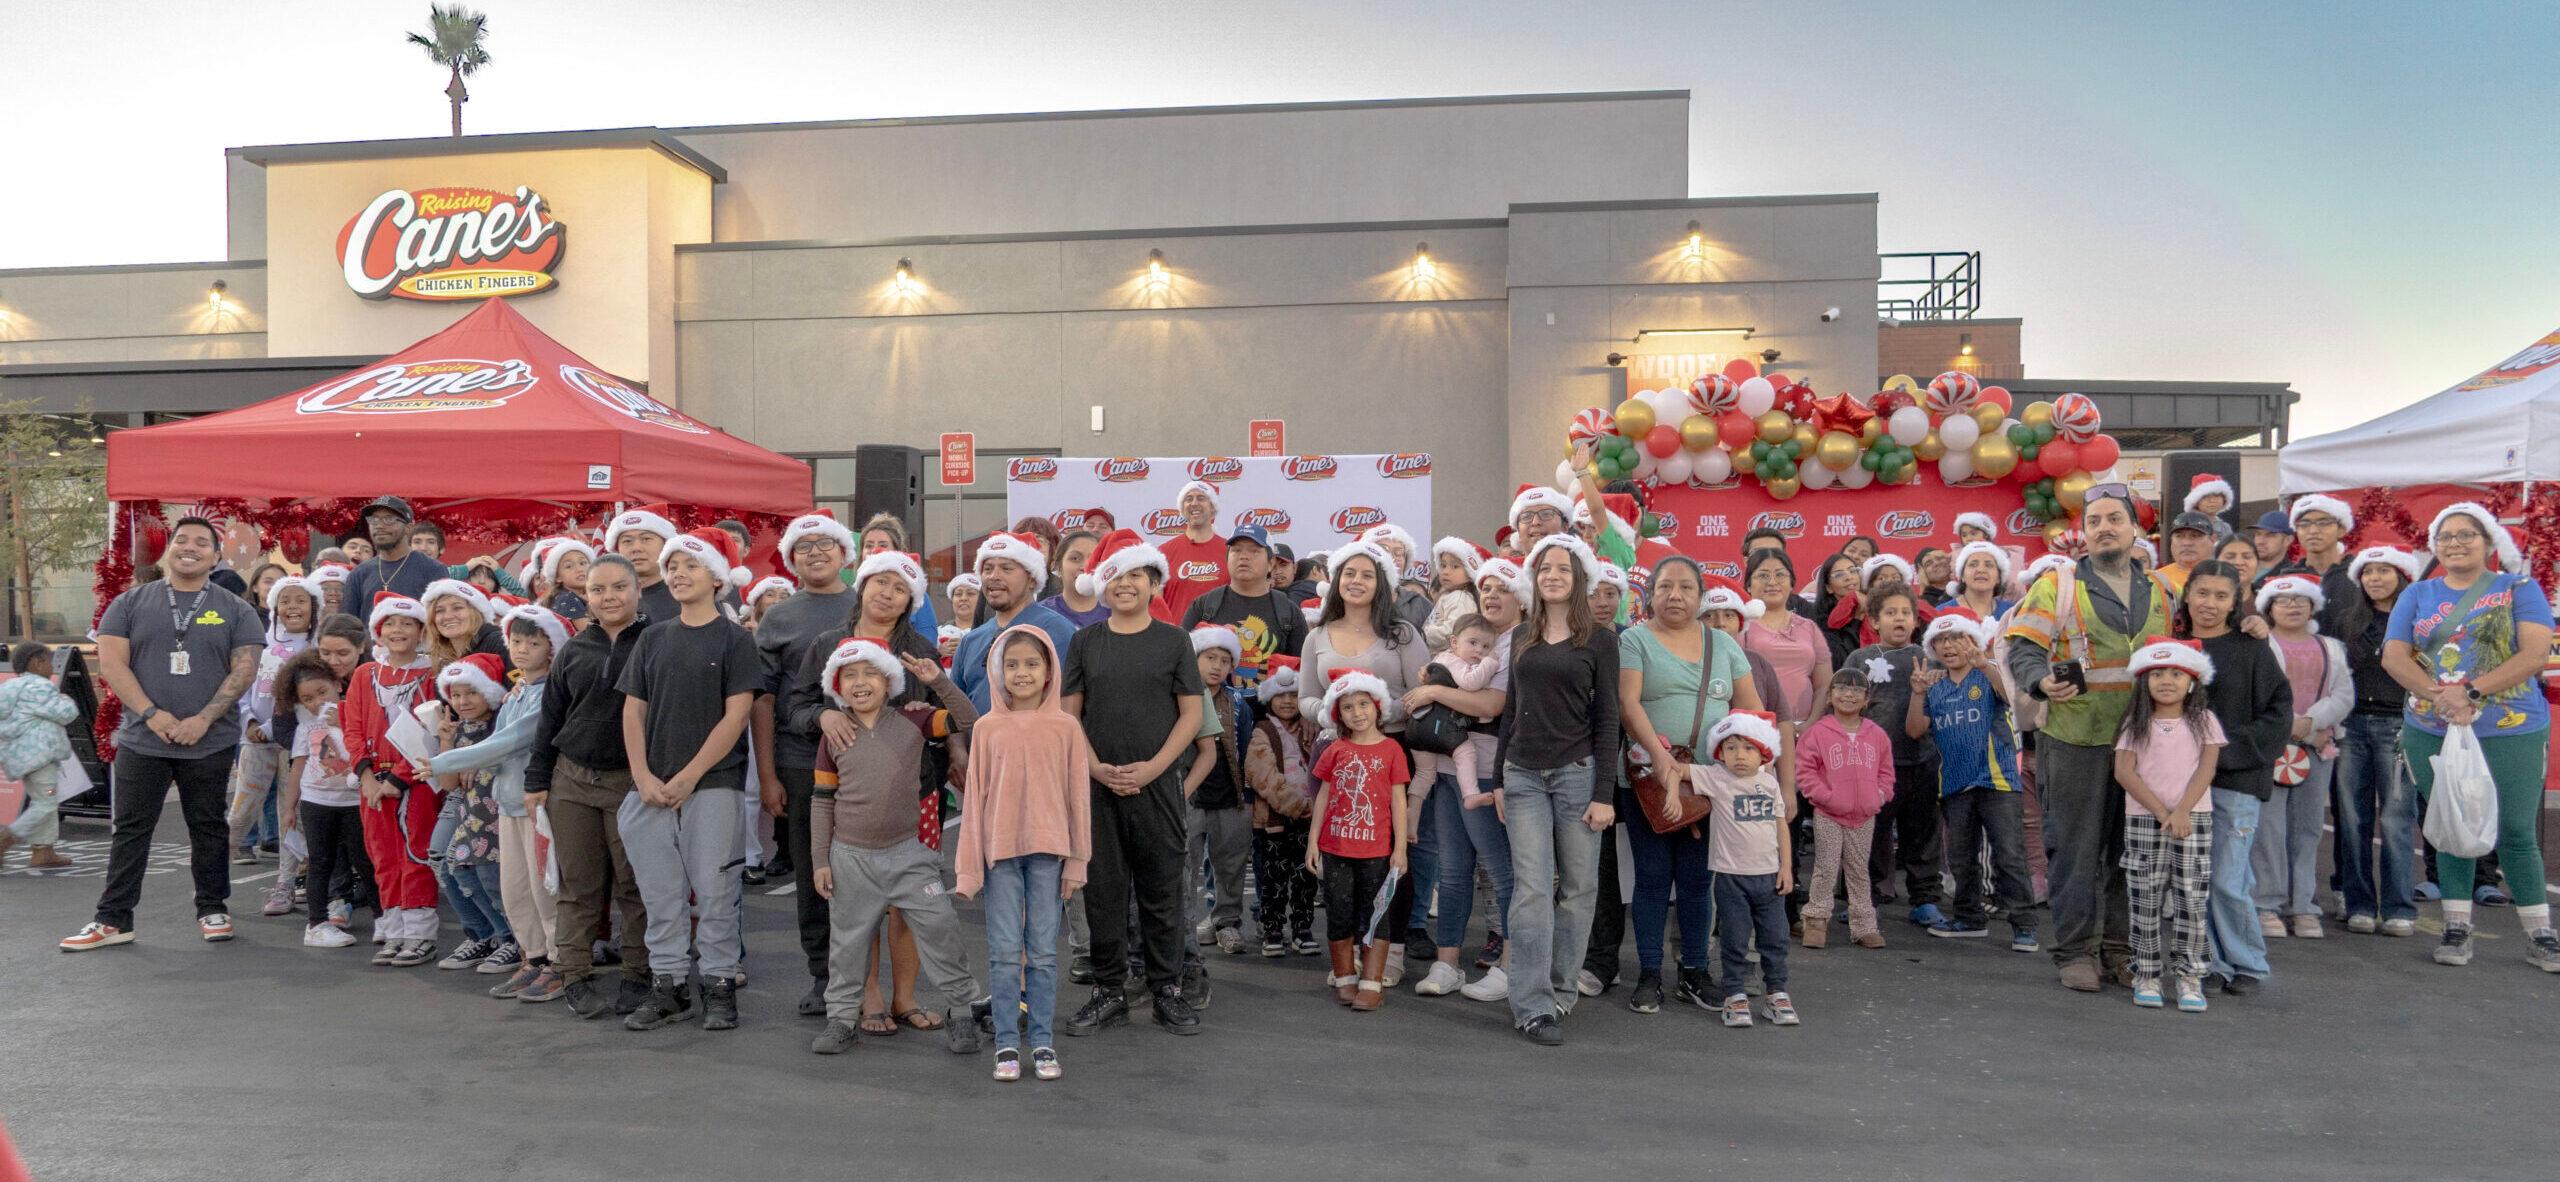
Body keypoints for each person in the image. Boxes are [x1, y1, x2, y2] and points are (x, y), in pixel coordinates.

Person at [62, 518, 266, 953]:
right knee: (131, 829)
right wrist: (152, 714)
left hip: (209, 739)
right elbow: (113, 665)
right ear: (168, 549)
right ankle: (113, 919)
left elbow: (245, 668)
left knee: (208, 826)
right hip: (143, 738)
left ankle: (213, 908)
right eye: (182, 540)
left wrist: (204, 719)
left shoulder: (236, 608)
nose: (189, 548)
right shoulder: (129, 603)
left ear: (215, 556)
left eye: (201, 543)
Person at [2003, 486, 2176, 993]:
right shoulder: (2057, 584)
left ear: (2134, 529)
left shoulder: (2163, 591)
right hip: (2075, 737)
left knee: (2133, 853)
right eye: (2095, 519)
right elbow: (2023, 647)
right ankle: (2075, 952)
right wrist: (2040, 680)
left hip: (2142, 744)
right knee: (2076, 851)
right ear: (2084, 531)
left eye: (2114, 519)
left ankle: (2119, 951)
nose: (2104, 527)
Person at [2381, 504, 2560, 971]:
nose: (2455, 543)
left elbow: (2536, 653)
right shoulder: (2417, 593)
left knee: (2517, 831)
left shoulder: (2517, 588)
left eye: (2467, 534)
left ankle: (2541, 934)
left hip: (2510, 726)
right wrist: (2440, 697)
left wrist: (2472, 692)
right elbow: (2394, 656)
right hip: (2432, 727)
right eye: (2445, 536)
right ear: (2435, 546)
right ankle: (2456, 927)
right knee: (2450, 826)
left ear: (2489, 542)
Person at [804, 636, 986, 1056]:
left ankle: (961, 1012)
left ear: (889, 682)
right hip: (850, 858)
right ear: (837, 685)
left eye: (871, 673)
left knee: (941, 928)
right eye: (850, 675)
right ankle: (842, 1019)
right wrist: (820, 860)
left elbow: (968, 719)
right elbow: (821, 799)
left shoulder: (915, 720)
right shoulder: (833, 734)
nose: (861, 682)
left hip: (908, 853)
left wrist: (938, 681)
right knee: (848, 944)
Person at [788, 546, 944, 1034]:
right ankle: (868, 994)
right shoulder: (827, 644)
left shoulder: (920, 648)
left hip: (915, 793)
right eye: (881, 582)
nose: (888, 593)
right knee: (860, 904)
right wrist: (823, 713)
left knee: (908, 901)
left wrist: (957, 756)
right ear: (864, 585)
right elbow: (793, 707)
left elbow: (945, 714)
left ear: (910, 600)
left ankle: (905, 996)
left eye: (900, 588)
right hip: (850, 797)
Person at [1061, 529, 1206, 1036]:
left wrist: (1156, 767)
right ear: (1101, 584)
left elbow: (1190, 715)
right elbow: (1068, 714)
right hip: (1097, 786)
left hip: (1159, 787)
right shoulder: (1084, 642)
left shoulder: (1175, 641)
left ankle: (1167, 990)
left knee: (1162, 891)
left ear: (1153, 584)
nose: (1125, 585)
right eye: (1115, 576)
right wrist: (1096, 766)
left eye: (1136, 576)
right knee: (1101, 892)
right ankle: (1108, 991)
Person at [617, 528, 762, 1032]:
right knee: (661, 896)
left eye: (690, 565)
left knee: (717, 892)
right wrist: (642, 776)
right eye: (672, 565)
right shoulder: (652, 638)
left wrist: (690, 775)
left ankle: (719, 984)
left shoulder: (736, 640)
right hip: (651, 790)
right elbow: (633, 713)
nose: (677, 574)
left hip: (713, 786)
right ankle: (670, 986)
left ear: (716, 578)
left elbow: (736, 716)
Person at [1615, 554, 1760, 1013]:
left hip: (1711, 783)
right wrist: (1663, 762)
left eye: (1686, 588)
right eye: (1665, 587)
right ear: (1650, 594)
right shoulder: (1634, 640)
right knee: (1652, 879)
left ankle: (1695, 972)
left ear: (1701, 597)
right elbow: (1628, 703)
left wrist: (1747, 773)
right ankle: (1650, 974)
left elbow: (1750, 712)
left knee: (1699, 882)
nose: (1675, 595)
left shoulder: (1724, 645)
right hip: (1649, 782)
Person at [1498, 533, 1620, 1046]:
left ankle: (1560, 988)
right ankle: (1530, 1005)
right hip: (1522, 775)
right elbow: (1510, 706)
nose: (1552, 575)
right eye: (1544, 567)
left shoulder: (1600, 639)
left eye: (1562, 569)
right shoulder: (1521, 634)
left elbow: (1609, 717)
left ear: (1579, 579)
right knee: (1531, 890)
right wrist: (1498, 777)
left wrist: (1604, 794)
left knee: (1578, 889)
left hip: (1577, 775)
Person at [953, 625, 1089, 1081]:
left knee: (1045, 955)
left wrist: (1078, 862)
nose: (1022, 673)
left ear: (1050, 670)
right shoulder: (988, 728)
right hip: (1001, 855)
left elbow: (1078, 799)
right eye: (1012, 664)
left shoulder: (1066, 727)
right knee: (1004, 953)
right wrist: (969, 869)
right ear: (997, 670)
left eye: (1032, 663)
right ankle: (1008, 1043)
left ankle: (1044, 1042)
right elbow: (974, 801)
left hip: (1050, 855)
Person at [528, 555, 655, 1020]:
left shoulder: (656, 643)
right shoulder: (574, 650)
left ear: (637, 589)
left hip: (632, 783)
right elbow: (551, 719)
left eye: (619, 587)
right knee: (578, 885)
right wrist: (536, 780)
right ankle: (575, 975)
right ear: (588, 597)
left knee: (634, 885)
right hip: (572, 780)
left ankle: (639, 973)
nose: (609, 597)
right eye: (598, 590)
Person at [1298, 539, 1430, 980]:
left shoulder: (1403, 634)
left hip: (1391, 754)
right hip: (1336, 755)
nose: (1356, 581)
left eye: (1367, 575)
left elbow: (1420, 696)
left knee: (1392, 855)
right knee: (1342, 857)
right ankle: (1349, 952)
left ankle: (1387, 953)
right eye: (1349, 573)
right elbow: (1305, 698)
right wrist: (1334, 713)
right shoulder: (1317, 633)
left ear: (1382, 584)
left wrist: (1377, 711)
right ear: (1336, 580)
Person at [424, 605, 567, 1001]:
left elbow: (510, 742)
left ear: (551, 647)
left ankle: (559, 963)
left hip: (537, 804)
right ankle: (533, 958)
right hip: (507, 803)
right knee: (515, 889)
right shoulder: (516, 693)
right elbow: (495, 745)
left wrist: (443, 761)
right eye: (516, 641)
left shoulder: (549, 694)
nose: (521, 650)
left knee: (545, 889)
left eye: (533, 642)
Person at [752, 510, 861, 1016]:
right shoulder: (779, 617)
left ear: (844, 553)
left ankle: (867, 977)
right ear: (791, 559)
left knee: (869, 873)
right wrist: (769, 776)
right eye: (804, 547)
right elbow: (765, 701)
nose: (815, 554)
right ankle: (823, 975)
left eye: (826, 546)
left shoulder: (868, 603)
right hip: (800, 763)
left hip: (870, 763)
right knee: (814, 872)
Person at [2177, 560, 2291, 996]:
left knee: (2227, 878)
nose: (2210, 603)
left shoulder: (2250, 646)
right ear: (2188, 593)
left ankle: (2247, 962)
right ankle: (2207, 961)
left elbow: (2278, 712)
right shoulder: (2172, 644)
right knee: (2193, 880)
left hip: (2235, 780)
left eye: (2221, 596)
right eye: (2202, 593)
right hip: (2180, 782)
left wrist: (2225, 750)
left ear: (2235, 601)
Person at [1411, 560, 1522, 1002]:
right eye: (1486, 588)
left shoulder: (1517, 644)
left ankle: (1512, 965)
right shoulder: (1468, 642)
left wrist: (1435, 691)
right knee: (1453, 870)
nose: (1492, 595)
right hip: (1445, 764)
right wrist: (1435, 680)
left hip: (1486, 767)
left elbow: (1489, 706)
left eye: (1503, 589)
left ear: (1523, 597)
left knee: (1500, 870)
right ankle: (1448, 962)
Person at [1910, 609, 2039, 949]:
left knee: (2009, 855)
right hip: (1954, 782)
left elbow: (2011, 699)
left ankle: (2024, 925)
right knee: (1961, 857)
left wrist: (1985, 664)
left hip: (1997, 781)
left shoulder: (1988, 673)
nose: (1949, 646)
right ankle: (1968, 918)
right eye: (1941, 640)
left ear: (1974, 640)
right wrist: (1918, 693)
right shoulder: (1935, 685)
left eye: (1957, 638)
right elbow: (1915, 730)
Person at [2115, 637, 2226, 1012]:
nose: (2166, 680)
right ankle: (2146, 973)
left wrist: (2181, 812)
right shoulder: (2135, 723)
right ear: (2144, 681)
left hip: (2192, 819)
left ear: (2192, 681)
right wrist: (2163, 813)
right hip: (2146, 820)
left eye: (2176, 673)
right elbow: (2125, 772)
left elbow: (2206, 769)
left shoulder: (2205, 721)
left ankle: (2189, 975)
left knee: (2191, 899)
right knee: (2145, 898)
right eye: (2157, 673)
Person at [1295, 670, 1410, 1013]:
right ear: (1337, 714)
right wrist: (1312, 841)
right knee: (1339, 911)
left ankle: (1372, 982)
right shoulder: (1335, 750)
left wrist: (1400, 848)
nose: (1357, 712)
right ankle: (1345, 976)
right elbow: (1323, 798)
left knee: (1376, 914)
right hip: (1336, 849)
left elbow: (1398, 801)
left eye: (1363, 704)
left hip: (1377, 851)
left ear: (1377, 707)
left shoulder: (1392, 749)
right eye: (1348, 707)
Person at [340, 592, 443, 967]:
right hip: (373, 780)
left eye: (407, 624)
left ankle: (420, 933)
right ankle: (395, 927)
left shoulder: (432, 674)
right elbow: (351, 728)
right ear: (377, 631)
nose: (397, 630)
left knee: (415, 852)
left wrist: (397, 779)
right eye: (390, 624)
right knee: (382, 855)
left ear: (420, 631)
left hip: (415, 778)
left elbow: (428, 732)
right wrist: (364, 774)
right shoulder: (366, 674)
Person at [2253, 576, 2350, 944]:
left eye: (2300, 599)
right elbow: (2257, 696)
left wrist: (2312, 725)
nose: (2292, 606)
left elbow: (2343, 694)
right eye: (2282, 600)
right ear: (2268, 608)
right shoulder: (2260, 645)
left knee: (2307, 829)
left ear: (2313, 606)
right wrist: (2291, 726)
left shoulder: (2332, 647)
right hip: (2271, 749)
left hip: (2317, 749)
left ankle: (2304, 905)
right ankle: (2266, 903)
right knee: (2269, 828)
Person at [1688, 710, 1796, 1028]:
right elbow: (1679, 769)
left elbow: (1781, 828)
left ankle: (1776, 993)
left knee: (1775, 938)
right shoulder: (1717, 778)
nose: (1740, 756)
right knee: (1734, 938)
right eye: (1731, 748)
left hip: (1770, 876)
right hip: (1731, 877)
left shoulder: (1770, 784)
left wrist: (1786, 868)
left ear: (1763, 752)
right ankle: (1734, 994)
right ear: (1720, 753)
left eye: (1748, 748)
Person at [2334, 546, 2421, 935]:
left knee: (2397, 818)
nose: (2375, 578)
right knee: (2352, 818)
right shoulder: (2347, 621)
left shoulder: (2418, 622)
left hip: (2399, 725)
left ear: (2401, 576)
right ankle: (2359, 904)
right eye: (2368, 571)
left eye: (2384, 570)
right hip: (2350, 726)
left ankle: (2400, 907)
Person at [1845, 585, 1944, 925]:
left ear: (1916, 620)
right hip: (1873, 766)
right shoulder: (1860, 659)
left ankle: (1925, 898)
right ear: (1874, 620)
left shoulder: (1929, 658)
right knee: (1870, 833)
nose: (1899, 618)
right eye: (1890, 612)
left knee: (1922, 833)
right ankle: (1865, 897)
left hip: (1922, 759)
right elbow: (1845, 706)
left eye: (1905, 612)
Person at [424, 653, 520, 975]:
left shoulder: (502, 722)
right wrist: (447, 741)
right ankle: (487, 934)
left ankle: (512, 938)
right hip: (470, 811)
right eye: (456, 694)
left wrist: (479, 760)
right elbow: (449, 783)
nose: (463, 701)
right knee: (453, 866)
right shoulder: (460, 728)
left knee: (486, 877)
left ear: (489, 692)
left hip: (494, 813)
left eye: (471, 692)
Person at [231, 575, 318, 898]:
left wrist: (273, 727)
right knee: (241, 811)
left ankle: (285, 882)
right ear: (274, 606)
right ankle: (210, 874)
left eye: (301, 601)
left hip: (295, 745)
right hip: (254, 742)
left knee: (289, 814)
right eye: (286, 600)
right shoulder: (259, 645)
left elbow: (310, 701)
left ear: (314, 607)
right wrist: (250, 721)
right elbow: (241, 686)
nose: (293, 607)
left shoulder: (317, 649)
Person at [1796, 666, 1890, 949]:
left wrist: (1879, 796)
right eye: (1842, 688)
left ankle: (1864, 926)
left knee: (1859, 870)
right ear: (1830, 696)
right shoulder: (1818, 732)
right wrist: (1825, 796)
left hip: (1864, 815)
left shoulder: (1877, 734)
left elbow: (1886, 771)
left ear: (1866, 699)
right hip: (1828, 813)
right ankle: (1815, 920)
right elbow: (1805, 771)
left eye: (1857, 690)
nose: (1849, 694)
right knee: (1825, 867)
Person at [277, 656, 363, 950]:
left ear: (338, 685)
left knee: (365, 861)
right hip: (317, 802)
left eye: (322, 692)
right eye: (307, 698)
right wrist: (289, 808)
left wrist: (345, 720)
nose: (316, 702)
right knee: (320, 862)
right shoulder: (306, 727)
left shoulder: (356, 716)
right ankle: (316, 924)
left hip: (354, 800)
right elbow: (297, 767)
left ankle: (386, 917)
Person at [1182, 625, 1255, 959]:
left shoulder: (1238, 702)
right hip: (1188, 795)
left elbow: (1247, 746)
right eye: (1209, 657)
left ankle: (1227, 921)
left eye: (1224, 660)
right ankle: (1181, 928)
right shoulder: (1180, 697)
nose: (1216, 666)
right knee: (1184, 863)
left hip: (1231, 794)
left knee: (1230, 863)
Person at [1243, 657, 1321, 958]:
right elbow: (1261, 774)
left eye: (1294, 695)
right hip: (1275, 820)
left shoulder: (1309, 730)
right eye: (1280, 695)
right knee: (1273, 878)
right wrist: (1298, 805)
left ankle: (1303, 929)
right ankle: (1273, 929)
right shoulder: (1263, 730)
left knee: (1305, 878)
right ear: (1268, 698)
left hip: (1308, 819)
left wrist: (1313, 808)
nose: (1288, 701)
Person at [953, 531, 1079, 712]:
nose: (993, 576)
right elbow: (955, 709)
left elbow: (1070, 703)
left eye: (1006, 568)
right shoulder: (970, 641)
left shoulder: (1058, 630)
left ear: (1031, 579)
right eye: (987, 569)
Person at [1179, 522, 1309, 690]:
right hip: (1214, 713)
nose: (1244, 556)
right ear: (1227, 558)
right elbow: (1182, 664)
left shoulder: (1288, 612)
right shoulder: (1204, 606)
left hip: (1269, 714)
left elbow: (1301, 674)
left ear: (1270, 564)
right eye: (1236, 550)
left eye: (1254, 551)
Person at [0, 643, 78, 870]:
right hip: (40, 756)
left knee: (43, 799)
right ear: (37, 662)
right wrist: (66, 699)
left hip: (22, 758)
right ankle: (8, 838)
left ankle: (43, 850)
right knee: (46, 801)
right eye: (49, 662)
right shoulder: (39, 687)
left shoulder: (10, 688)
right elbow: (65, 714)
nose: (52, 668)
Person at [1410, 616, 1502, 803]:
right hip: (1437, 725)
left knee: (1424, 774)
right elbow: (1471, 682)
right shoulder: (1454, 661)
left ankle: (1412, 817)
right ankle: (1470, 794)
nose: (1479, 650)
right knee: (1466, 752)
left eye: (1486, 647)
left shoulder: (1442, 659)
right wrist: (1490, 662)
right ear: (1454, 641)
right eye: (1473, 643)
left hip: (1419, 725)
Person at [1743, 550, 1830, 721]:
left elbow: (1824, 686)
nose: (1772, 582)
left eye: (1780, 574)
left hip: (1805, 729)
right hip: (1758, 728)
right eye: (1763, 575)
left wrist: (1809, 726)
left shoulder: (1810, 627)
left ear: (1791, 584)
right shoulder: (1741, 626)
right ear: (1748, 585)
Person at [2273, 494, 2358, 630]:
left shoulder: (2360, 574)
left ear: (2341, 529)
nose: (2313, 531)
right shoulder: (2286, 579)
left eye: (2323, 523)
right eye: (2304, 524)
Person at [340, 496, 441, 610]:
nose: (379, 526)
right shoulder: (358, 574)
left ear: (408, 528)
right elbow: (349, 624)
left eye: (389, 519)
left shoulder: (432, 569)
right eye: (373, 520)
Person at [1152, 481, 1230, 623]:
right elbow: (1156, 603)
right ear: (1182, 509)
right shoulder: (1164, 552)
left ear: (1213, 508)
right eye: (1188, 499)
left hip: (1219, 641)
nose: (1194, 503)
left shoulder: (1230, 551)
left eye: (1201, 498)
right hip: (1177, 641)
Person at [858, 513, 940, 636]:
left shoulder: (917, 597)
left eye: (883, 545)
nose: (874, 550)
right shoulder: (851, 592)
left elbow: (928, 641)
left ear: (897, 551)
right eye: (868, 545)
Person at [603, 503, 684, 623]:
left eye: (646, 539)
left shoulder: (687, 595)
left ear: (666, 545)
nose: (636, 548)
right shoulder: (609, 600)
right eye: (627, 541)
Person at [1423, 537, 1487, 651]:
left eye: (1455, 566)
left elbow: (1451, 632)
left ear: (1470, 573)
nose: (1446, 571)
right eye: (1443, 565)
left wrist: (1423, 633)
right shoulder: (1449, 596)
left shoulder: (1460, 598)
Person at [1038, 529, 1108, 629]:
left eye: (1094, 559)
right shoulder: (1042, 615)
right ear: (1057, 566)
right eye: (1075, 558)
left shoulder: (1117, 612)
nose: (1085, 567)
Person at [1810, 553, 1865, 669]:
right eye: (1839, 574)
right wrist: (1856, 620)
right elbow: (1840, 660)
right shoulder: (1821, 618)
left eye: (1852, 571)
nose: (1849, 577)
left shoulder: (1871, 606)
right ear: (1828, 587)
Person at [2156, 512, 2223, 597]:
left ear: (2213, 539)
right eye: (2179, 536)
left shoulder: (2226, 577)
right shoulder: (2157, 580)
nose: (2186, 543)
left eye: (2195, 536)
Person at [1945, 542, 2014, 620]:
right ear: (1962, 576)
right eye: (1973, 565)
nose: (1981, 570)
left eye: (1989, 565)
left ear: (1998, 577)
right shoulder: (1943, 613)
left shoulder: (2012, 612)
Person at [537, 537, 595, 628]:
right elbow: (592, 635)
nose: (579, 569)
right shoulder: (568, 599)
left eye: (583, 563)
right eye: (569, 566)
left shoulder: (571, 595)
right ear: (558, 577)